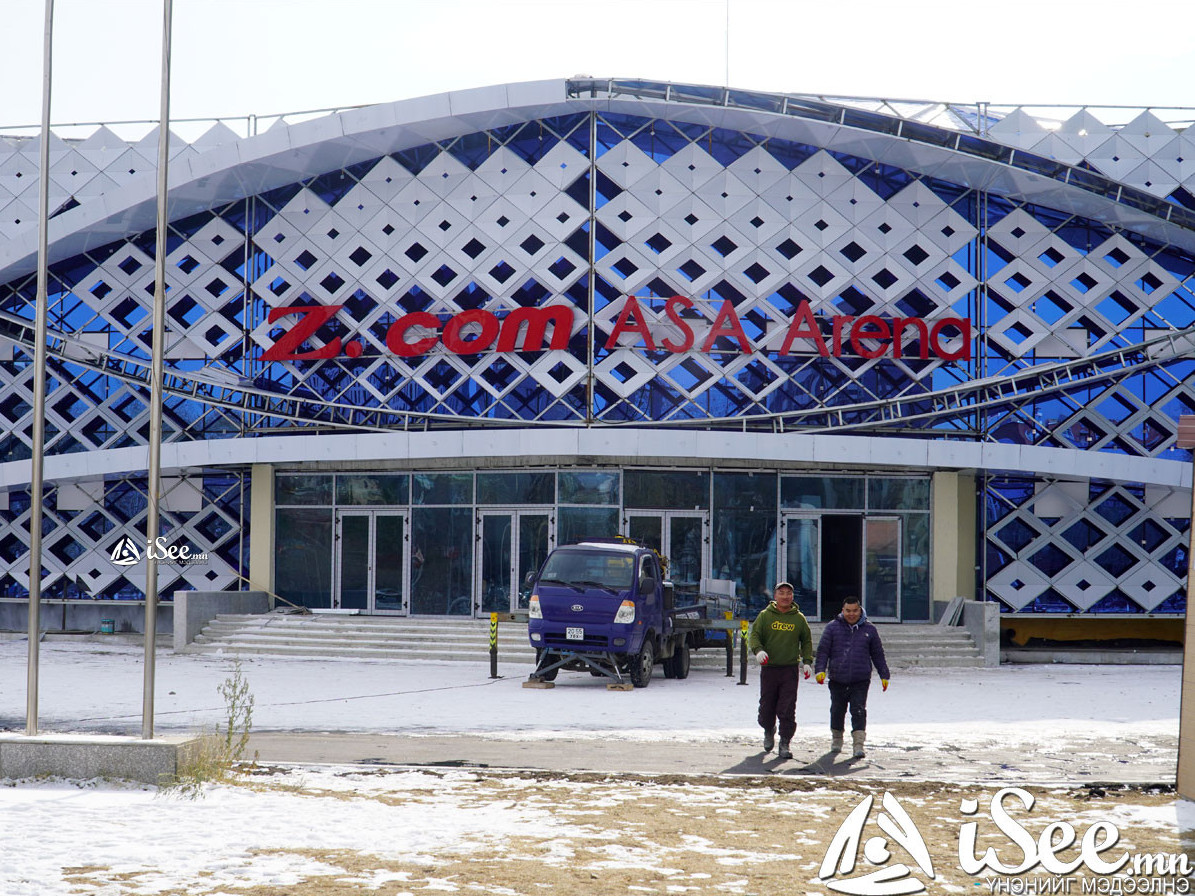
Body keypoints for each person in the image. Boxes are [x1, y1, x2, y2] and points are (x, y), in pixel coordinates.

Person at [814, 595, 890, 759]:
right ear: (842, 610)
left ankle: (858, 744)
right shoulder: (832, 628)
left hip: (860, 679)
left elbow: (877, 654)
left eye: (855, 610)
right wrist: (820, 670)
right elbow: (823, 651)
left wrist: (884, 674)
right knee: (837, 710)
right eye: (848, 611)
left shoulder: (869, 630)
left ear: (860, 610)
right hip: (837, 678)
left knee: (859, 711)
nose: (851, 614)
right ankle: (837, 739)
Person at [748, 581, 813, 760]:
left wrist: (807, 661)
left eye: (788, 593)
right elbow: (754, 636)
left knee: (787, 707)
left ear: (793, 597)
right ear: (775, 596)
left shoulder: (798, 618)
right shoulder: (764, 616)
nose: (785, 596)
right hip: (769, 669)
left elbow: (806, 641)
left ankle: (785, 742)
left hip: (789, 670)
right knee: (767, 706)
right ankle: (768, 729)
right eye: (781, 593)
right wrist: (758, 650)